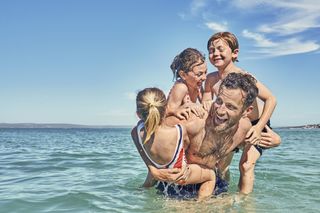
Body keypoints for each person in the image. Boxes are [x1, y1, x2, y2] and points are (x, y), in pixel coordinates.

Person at [149, 73, 281, 197]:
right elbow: (147, 135)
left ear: (246, 111)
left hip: (213, 184)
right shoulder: (193, 121)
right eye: (219, 101)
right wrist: (152, 171)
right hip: (179, 185)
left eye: (230, 107)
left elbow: (252, 146)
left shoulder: (244, 129)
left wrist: (274, 142)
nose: (220, 110)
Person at [202, 32, 279, 194]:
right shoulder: (210, 79)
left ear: (234, 53)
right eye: (211, 50)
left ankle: (245, 204)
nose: (215, 53)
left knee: (246, 165)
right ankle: (222, 196)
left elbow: (271, 99)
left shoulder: (245, 76)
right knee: (220, 166)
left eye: (220, 49)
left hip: (254, 125)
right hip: (229, 126)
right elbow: (206, 107)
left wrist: (259, 128)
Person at [131, 87, 215, 200]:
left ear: (138, 114)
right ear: (166, 109)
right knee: (211, 176)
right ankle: (200, 205)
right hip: (179, 176)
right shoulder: (179, 131)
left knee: (150, 178)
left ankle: (142, 190)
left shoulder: (135, 133)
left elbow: (143, 154)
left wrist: (152, 169)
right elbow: (186, 147)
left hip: (157, 172)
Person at [166, 48, 207, 120]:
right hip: (171, 124)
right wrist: (186, 106)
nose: (204, 77)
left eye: (205, 72)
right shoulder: (181, 87)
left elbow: (204, 103)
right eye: (199, 74)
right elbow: (167, 111)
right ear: (183, 75)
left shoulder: (198, 86)